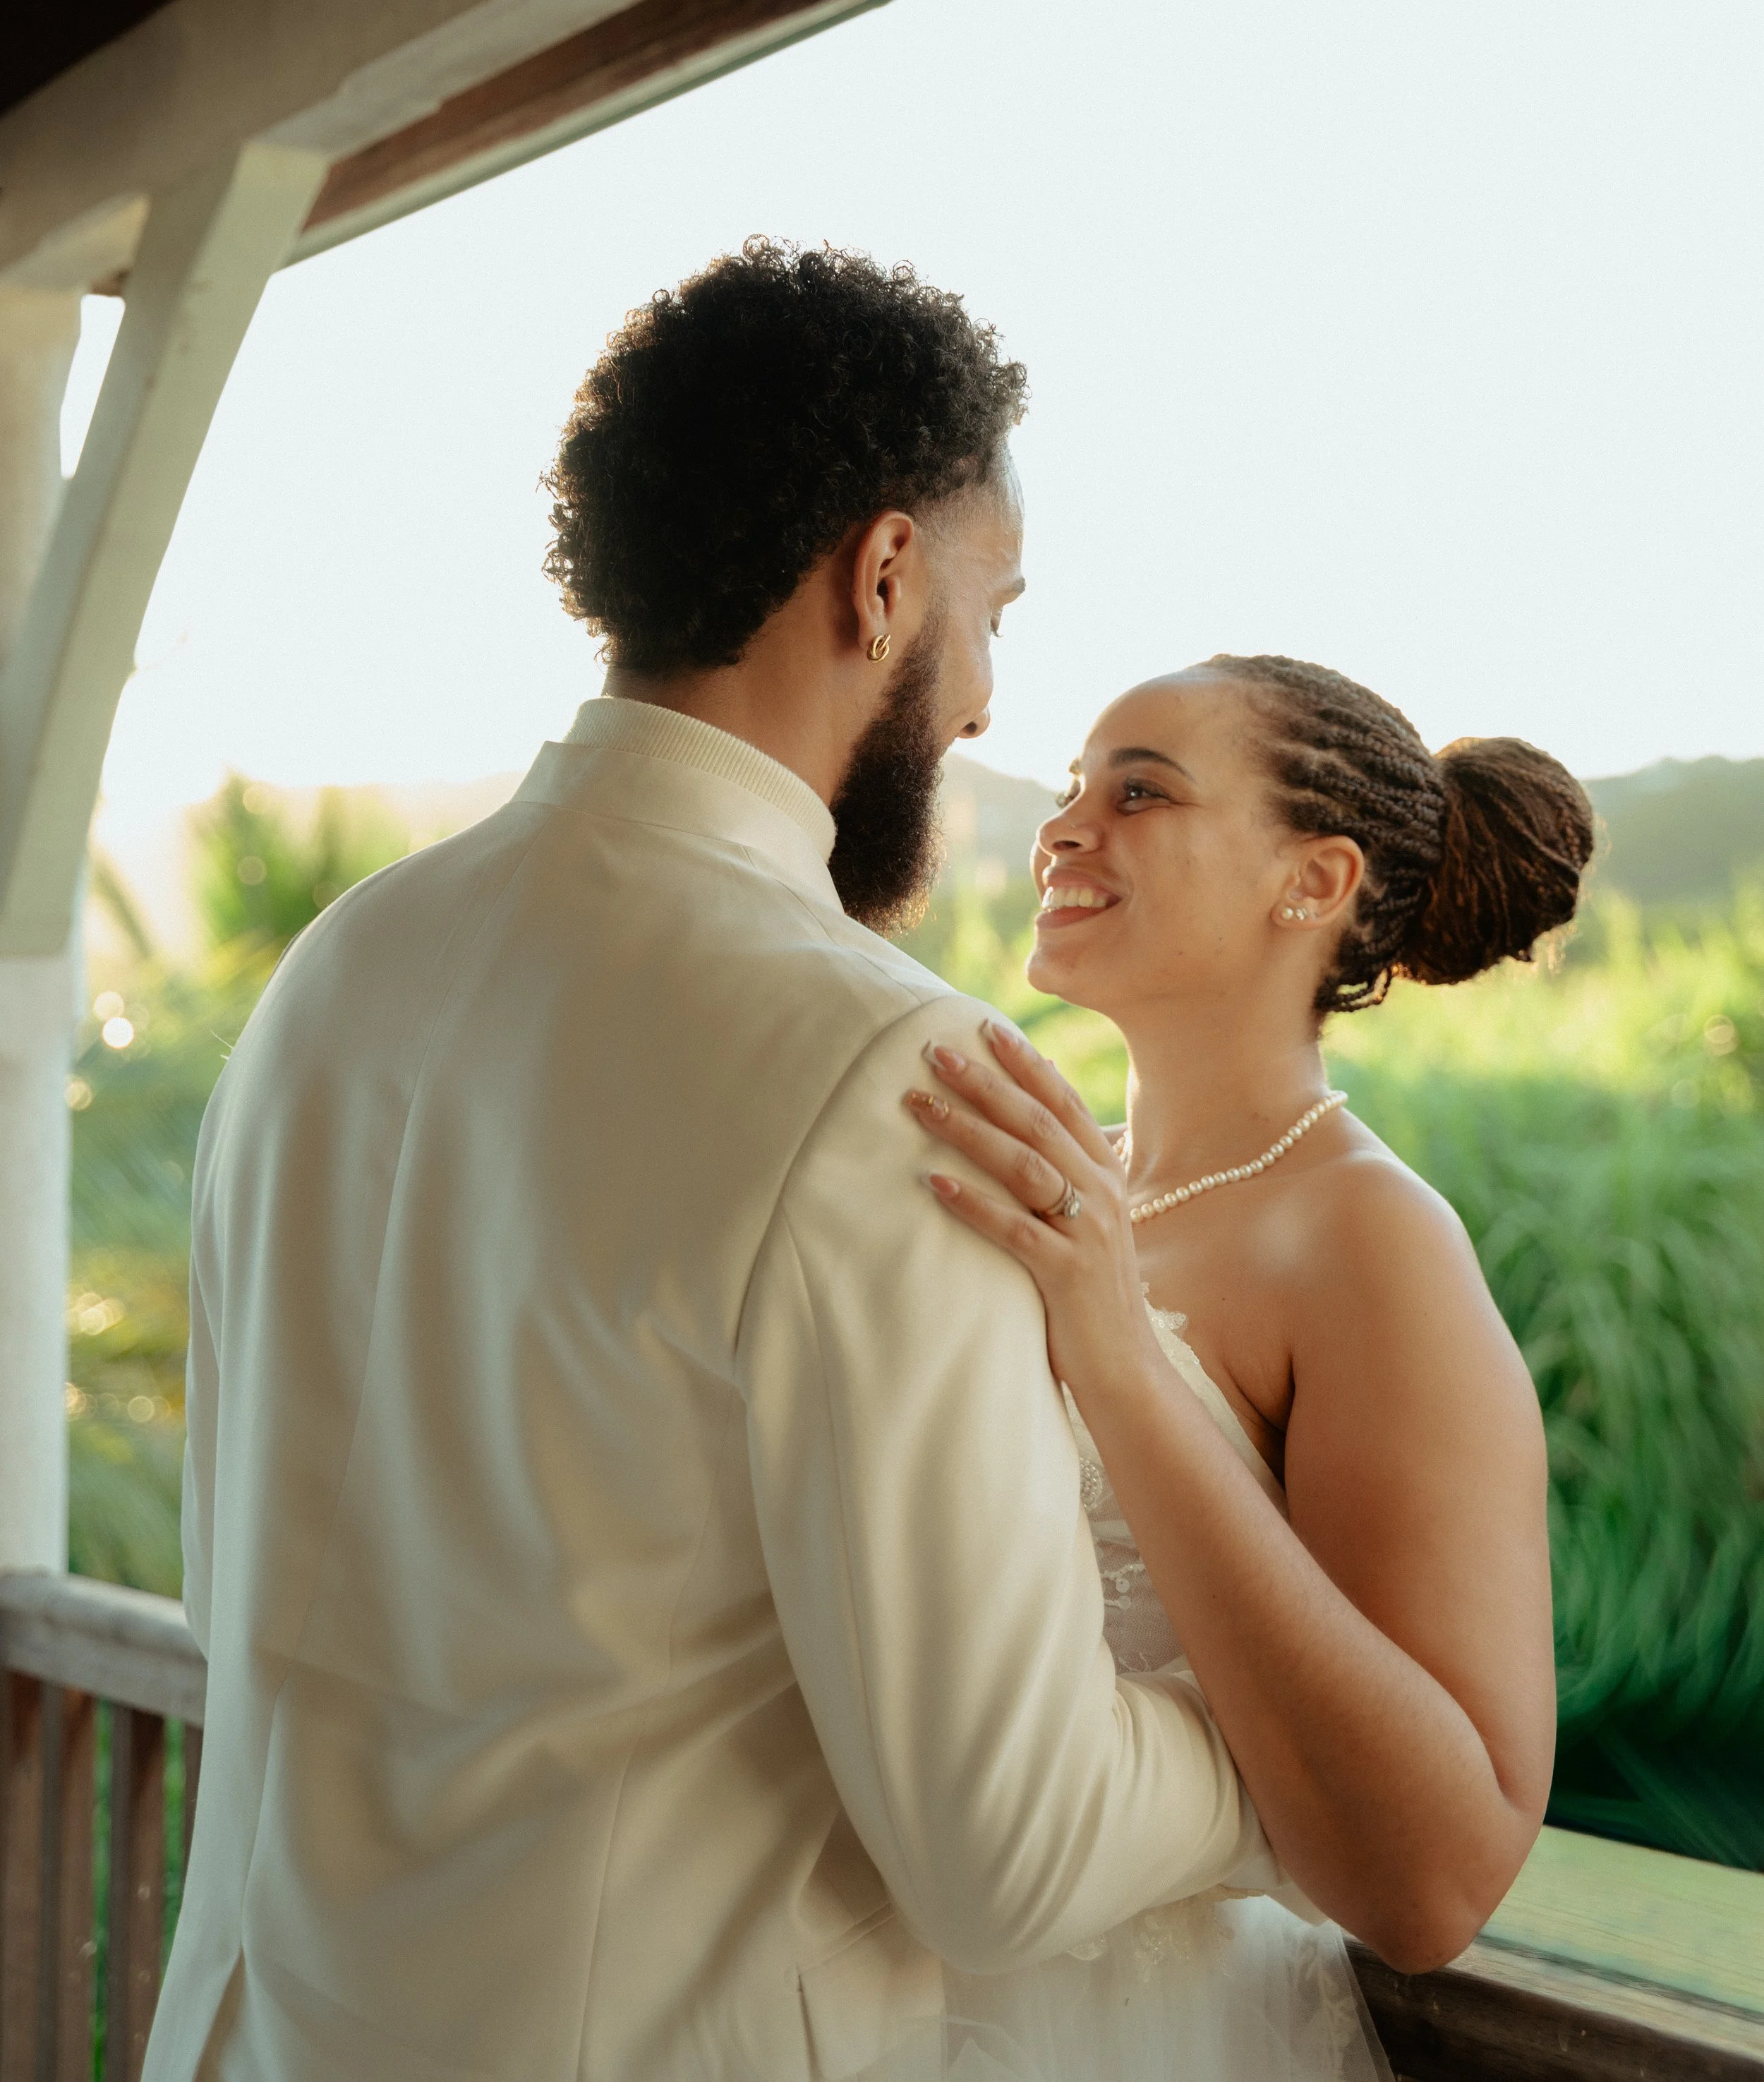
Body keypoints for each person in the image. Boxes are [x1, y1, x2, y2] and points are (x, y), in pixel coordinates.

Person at [144, 247, 1287, 2082]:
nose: (987, 697)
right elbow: (1009, 1839)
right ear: (885, 574)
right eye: (993, 606)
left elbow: (237, 1583)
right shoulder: (885, 1065)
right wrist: (1280, 1751)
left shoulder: (337, 968)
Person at [905, 654, 1594, 2080]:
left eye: (1137, 789)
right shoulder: (1068, 1179)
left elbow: (1435, 1884)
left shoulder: (1368, 1240)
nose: (1063, 827)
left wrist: (1117, 1361)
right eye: (1067, 790)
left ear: (1311, 881)